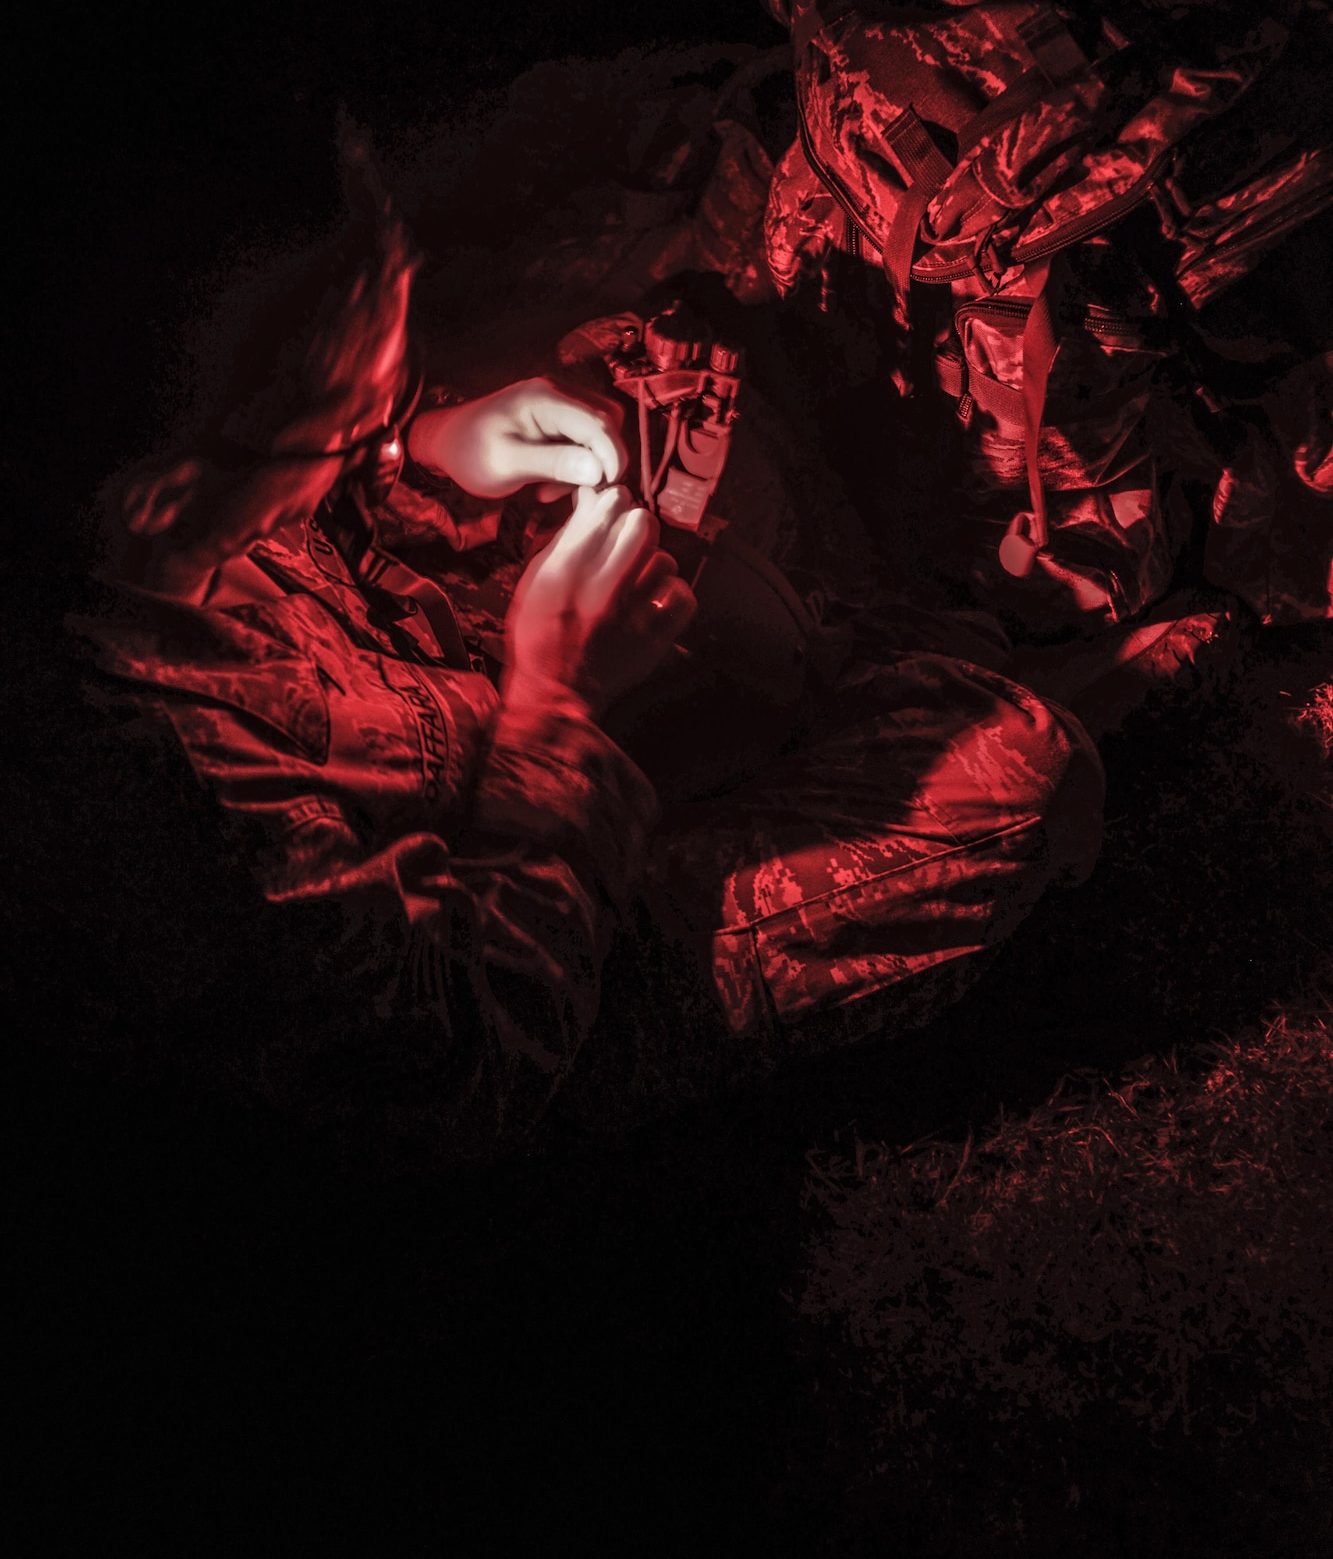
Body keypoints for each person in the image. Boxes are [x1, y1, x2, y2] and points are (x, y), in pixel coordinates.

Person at [71, 130, 1107, 1161]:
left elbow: (282, 459)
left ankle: (882, 648)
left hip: (419, 673)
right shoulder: (159, 807)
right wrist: (553, 714)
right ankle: (986, 671)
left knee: (654, 406)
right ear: (171, 493)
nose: (386, 410)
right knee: (1019, 769)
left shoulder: (131, 488)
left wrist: (419, 449)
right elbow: (455, 1067)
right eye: (353, 411)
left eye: (395, 372)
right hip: (524, 952)